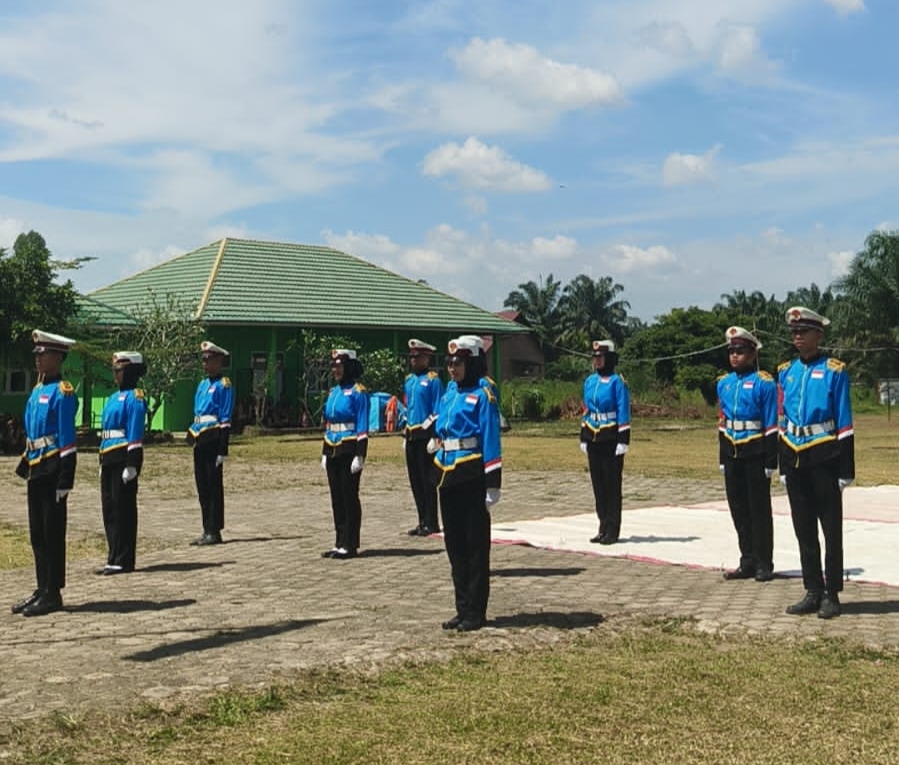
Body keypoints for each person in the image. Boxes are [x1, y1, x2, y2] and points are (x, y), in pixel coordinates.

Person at [778, 306, 854, 619]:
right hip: (794, 455)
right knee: (804, 528)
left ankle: (831, 593)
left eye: (804, 332)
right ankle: (812, 589)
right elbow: (781, 420)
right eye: (794, 332)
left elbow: (845, 422)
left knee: (830, 529)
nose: (798, 337)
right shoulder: (786, 371)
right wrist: (783, 465)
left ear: (818, 335)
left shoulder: (835, 370)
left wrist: (846, 470)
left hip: (824, 455)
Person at [432, 336, 502, 632]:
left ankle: (475, 611)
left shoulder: (483, 395)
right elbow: (442, 425)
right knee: (454, 544)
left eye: (458, 363)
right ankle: (461, 608)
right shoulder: (449, 393)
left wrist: (492, 483)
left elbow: (490, 437)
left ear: (472, 363)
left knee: (475, 546)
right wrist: (436, 441)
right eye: (449, 363)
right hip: (446, 471)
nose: (452, 368)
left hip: (471, 472)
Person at [12, 330, 78, 617]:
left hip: (53, 466)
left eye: (43, 354)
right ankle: (41, 587)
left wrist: (66, 478)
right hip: (37, 465)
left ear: (58, 357)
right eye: (36, 354)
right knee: (37, 532)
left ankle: (53, 591)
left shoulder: (63, 392)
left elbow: (67, 438)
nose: (37, 359)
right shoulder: (38, 390)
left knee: (52, 531)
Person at [717, 327, 778, 582]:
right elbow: (722, 422)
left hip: (755, 449)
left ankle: (764, 562)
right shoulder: (724, 383)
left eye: (740, 351)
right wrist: (722, 457)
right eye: (732, 351)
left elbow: (771, 424)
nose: (735, 356)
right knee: (738, 508)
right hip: (732, 450)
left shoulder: (764, 383)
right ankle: (747, 560)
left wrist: (771, 460)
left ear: (752, 354)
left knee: (758, 509)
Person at [97, 351, 148, 575]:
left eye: (120, 371)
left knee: (122, 509)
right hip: (108, 455)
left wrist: (132, 464)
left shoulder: (135, 397)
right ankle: (113, 555)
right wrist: (101, 461)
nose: (116, 374)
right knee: (109, 508)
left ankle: (124, 558)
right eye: (115, 370)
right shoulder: (112, 398)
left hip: (122, 456)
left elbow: (135, 432)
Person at [321, 349, 370, 560]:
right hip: (332, 445)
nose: (336, 370)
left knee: (349, 495)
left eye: (339, 366)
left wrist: (360, 454)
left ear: (349, 367)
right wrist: (324, 452)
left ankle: (350, 542)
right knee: (336, 497)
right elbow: (328, 422)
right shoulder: (334, 391)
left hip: (349, 446)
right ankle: (339, 540)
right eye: (333, 366)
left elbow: (363, 424)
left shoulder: (359, 391)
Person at [580, 339, 630, 544]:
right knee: (598, 484)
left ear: (609, 358)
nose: (597, 361)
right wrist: (583, 436)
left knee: (611, 485)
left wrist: (623, 439)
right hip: (593, 435)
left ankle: (613, 529)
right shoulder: (589, 381)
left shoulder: (617, 382)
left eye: (600, 357)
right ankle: (602, 525)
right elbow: (586, 409)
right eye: (595, 357)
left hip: (611, 437)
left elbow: (623, 410)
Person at [187, 341, 234, 546]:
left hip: (214, 437)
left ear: (218, 361)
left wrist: (223, 448)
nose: (205, 363)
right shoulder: (202, 384)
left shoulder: (224, 385)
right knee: (202, 484)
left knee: (213, 485)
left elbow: (225, 418)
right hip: (200, 437)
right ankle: (206, 527)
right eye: (203, 360)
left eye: (209, 360)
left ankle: (214, 529)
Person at [402, 338, 444, 537]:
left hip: (426, 435)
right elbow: (408, 407)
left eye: (417, 357)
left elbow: (437, 409)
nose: (413, 360)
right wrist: (405, 433)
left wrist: (434, 435)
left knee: (428, 480)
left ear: (426, 358)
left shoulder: (433, 380)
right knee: (415, 480)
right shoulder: (409, 380)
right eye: (411, 357)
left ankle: (432, 521)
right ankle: (421, 520)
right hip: (412, 434)